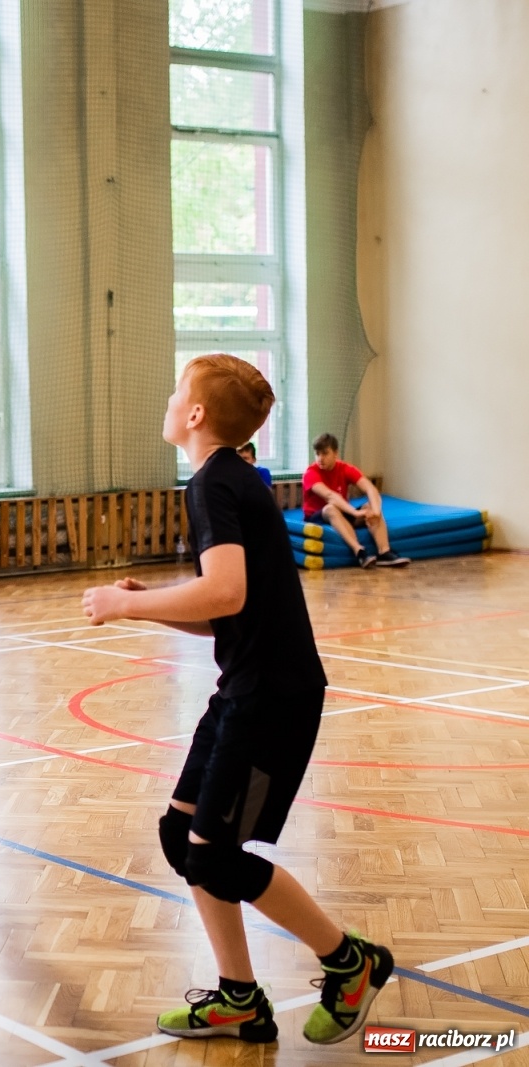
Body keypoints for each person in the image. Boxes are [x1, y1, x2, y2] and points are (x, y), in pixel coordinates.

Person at [81, 355, 394, 1048]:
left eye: (176, 392)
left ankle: (351, 962)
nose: (169, 400)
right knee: (183, 838)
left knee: (215, 856)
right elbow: (228, 610)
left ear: (195, 414)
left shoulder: (213, 484)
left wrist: (123, 607)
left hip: (273, 701)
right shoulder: (229, 479)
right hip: (247, 691)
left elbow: (225, 592)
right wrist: (154, 603)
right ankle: (239, 999)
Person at [303, 433, 408, 568]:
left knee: (370, 507)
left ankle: (384, 552)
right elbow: (330, 496)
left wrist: (375, 511)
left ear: (335, 453)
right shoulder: (311, 473)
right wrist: (354, 512)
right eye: (317, 454)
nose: (320, 458)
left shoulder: (344, 468)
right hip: (318, 516)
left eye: (325, 453)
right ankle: (359, 552)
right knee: (331, 508)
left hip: (341, 512)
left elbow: (370, 489)